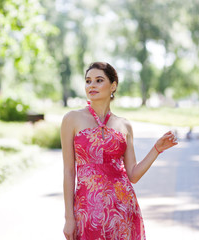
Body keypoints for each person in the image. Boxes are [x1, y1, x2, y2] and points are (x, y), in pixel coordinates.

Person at [61, 62, 178, 240]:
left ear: (113, 86)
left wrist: (156, 150)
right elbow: (69, 171)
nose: (91, 85)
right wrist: (69, 217)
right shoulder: (72, 119)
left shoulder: (124, 125)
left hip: (122, 208)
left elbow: (133, 175)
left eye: (99, 80)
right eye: (88, 81)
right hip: (87, 211)